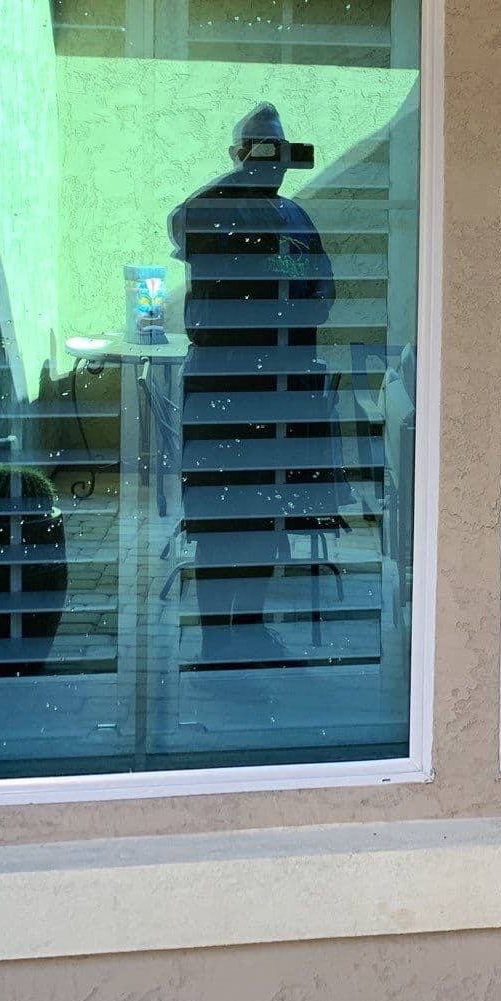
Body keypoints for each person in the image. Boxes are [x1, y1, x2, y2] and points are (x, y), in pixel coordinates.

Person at [169, 103, 338, 667]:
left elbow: (323, 291)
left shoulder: (295, 218)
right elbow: (179, 221)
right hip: (221, 392)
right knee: (221, 520)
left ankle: (253, 628)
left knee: (268, 516)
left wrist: (296, 313)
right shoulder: (212, 209)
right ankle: (218, 641)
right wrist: (242, 175)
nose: (270, 160)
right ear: (237, 154)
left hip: (281, 392)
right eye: (257, 147)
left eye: (277, 149)